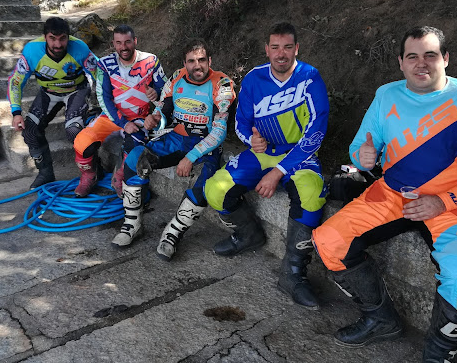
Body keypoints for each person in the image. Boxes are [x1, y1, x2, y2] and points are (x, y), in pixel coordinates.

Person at [312, 26, 457, 362]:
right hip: (391, 193)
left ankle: (437, 354)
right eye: (413, 56)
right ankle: (381, 319)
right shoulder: (387, 94)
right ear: (401, 63)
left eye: (431, 55)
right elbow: (361, 145)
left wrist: (442, 201)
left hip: (454, 204)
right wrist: (363, 157)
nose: (422, 63)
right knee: (329, 240)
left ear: (445, 59)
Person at [201, 22, 329, 310]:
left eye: (287, 47)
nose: (280, 54)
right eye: (275, 47)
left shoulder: (310, 77)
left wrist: (278, 171)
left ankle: (293, 274)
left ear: (296, 48)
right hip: (264, 153)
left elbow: (316, 131)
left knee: (311, 195)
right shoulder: (253, 79)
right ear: (267, 50)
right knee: (216, 189)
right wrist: (251, 140)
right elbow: (241, 124)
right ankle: (248, 235)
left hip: (300, 155)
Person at [112, 40, 236, 257]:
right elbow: (163, 109)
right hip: (176, 139)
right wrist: (154, 118)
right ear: (184, 63)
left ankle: (173, 233)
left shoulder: (223, 84)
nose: (197, 66)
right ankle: (132, 224)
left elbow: (219, 132)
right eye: (191, 61)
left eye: (201, 60)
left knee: (205, 187)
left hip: (205, 145)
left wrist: (191, 157)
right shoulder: (176, 76)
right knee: (134, 159)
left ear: (210, 61)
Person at [73, 25, 166, 197]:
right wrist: (123, 123)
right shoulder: (105, 64)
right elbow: (103, 98)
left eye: (128, 42)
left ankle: (120, 178)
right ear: (113, 44)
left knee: (136, 141)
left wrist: (157, 93)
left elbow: (166, 90)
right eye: (119, 43)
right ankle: (89, 176)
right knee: (82, 141)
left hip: (141, 117)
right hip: (112, 117)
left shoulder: (151, 61)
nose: (124, 47)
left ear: (135, 41)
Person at [8, 17, 99, 189]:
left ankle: (92, 171)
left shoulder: (79, 48)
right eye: (52, 38)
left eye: (62, 38)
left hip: (77, 90)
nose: (58, 44)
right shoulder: (32, 51)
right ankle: (45, 173)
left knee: (74, 131)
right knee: (30, 131)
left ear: (69, 38)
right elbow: (15, 82)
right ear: (44, 37)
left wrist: (104, 103)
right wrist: (16, 112)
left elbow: (100, 75)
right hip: (48, 92)